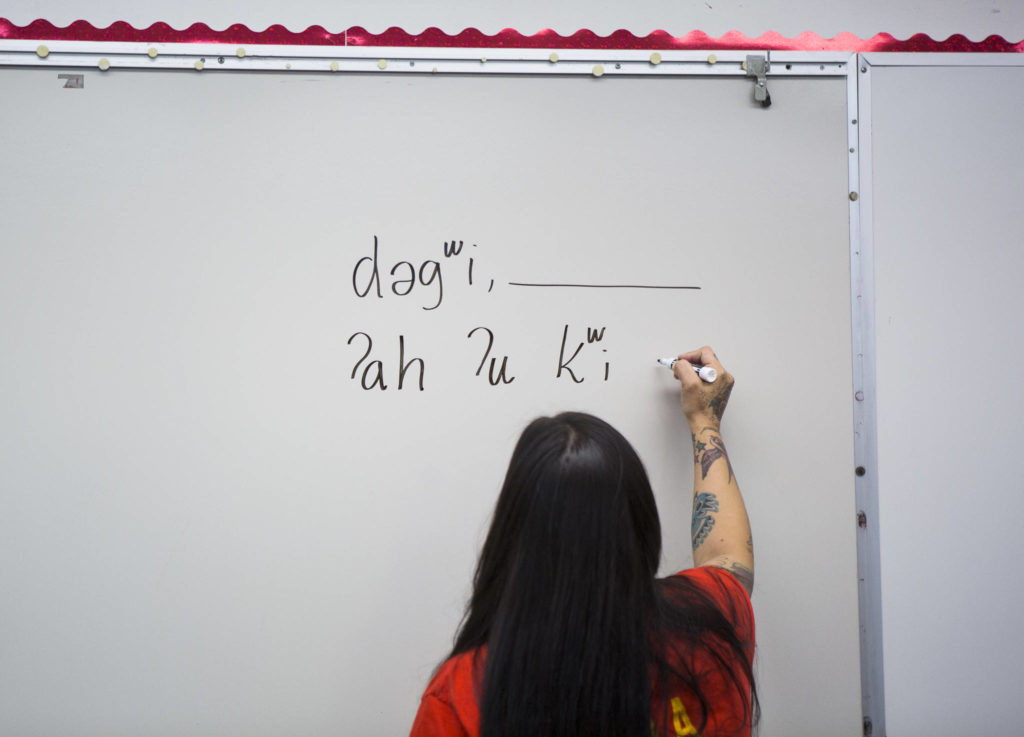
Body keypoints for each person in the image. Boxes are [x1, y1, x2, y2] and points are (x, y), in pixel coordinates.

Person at [409, 346, 758, 737]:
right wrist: (704, 420)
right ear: (642, 527)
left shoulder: (465, 694)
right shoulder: (708, 630)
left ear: (513, 535)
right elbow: (728, 556)